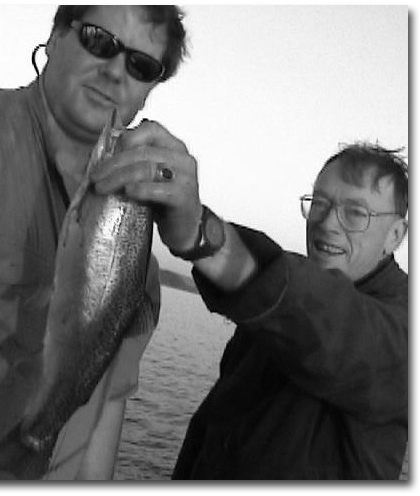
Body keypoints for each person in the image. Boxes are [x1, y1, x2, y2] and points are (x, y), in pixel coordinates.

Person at [0, 5, 190, 480]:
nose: (116, 70)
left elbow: (101, 419)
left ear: (149, 89)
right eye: (99, 40)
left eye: (141, 66)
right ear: (55, 37)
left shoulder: (139, 264)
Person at [92, 141, 408, 480]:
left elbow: (339, 331)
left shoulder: (402, 330)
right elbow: (212, 425)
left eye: (356, 213)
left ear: (394, 235)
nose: (328, 223)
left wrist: (201, 235)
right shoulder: (274, 305)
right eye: (320, 203)